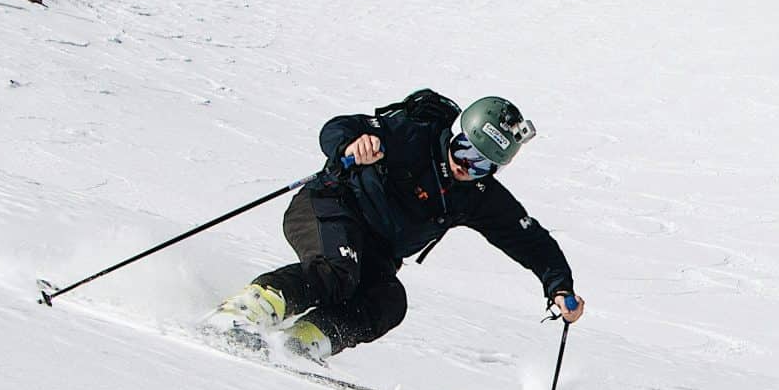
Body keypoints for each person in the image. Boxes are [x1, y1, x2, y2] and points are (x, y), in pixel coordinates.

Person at [219, 91, 583, 359]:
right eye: (465, 151)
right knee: (338, 270)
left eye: (483, 165)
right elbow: (338, 128)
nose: (466, 168)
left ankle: (301, 343)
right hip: (330, 207)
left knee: (389, 301)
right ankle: (246, 311)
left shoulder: (476, 194)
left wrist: (559, 286)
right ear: (454, 134)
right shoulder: (413, 135)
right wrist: (353, 143)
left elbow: (531, 241)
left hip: (376, 249)